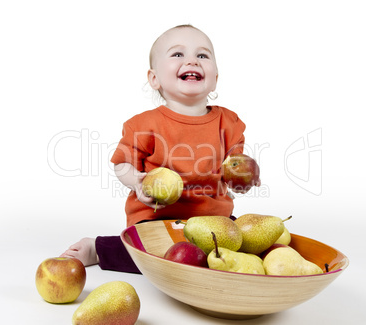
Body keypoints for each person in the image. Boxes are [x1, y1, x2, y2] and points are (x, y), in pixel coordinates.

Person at [61, 24, 252, 273]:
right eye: (178, 54)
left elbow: (236, 168)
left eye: (202, 55)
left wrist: (244, 179)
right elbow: (122, 162)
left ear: (215, 79)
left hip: (214, 222)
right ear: (154, 78)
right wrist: (136, 182)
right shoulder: (144, 124)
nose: (192, 61)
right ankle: (99, 249)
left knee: (240, 247)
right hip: (158, 218)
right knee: (155, 256)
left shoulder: (229, 123)